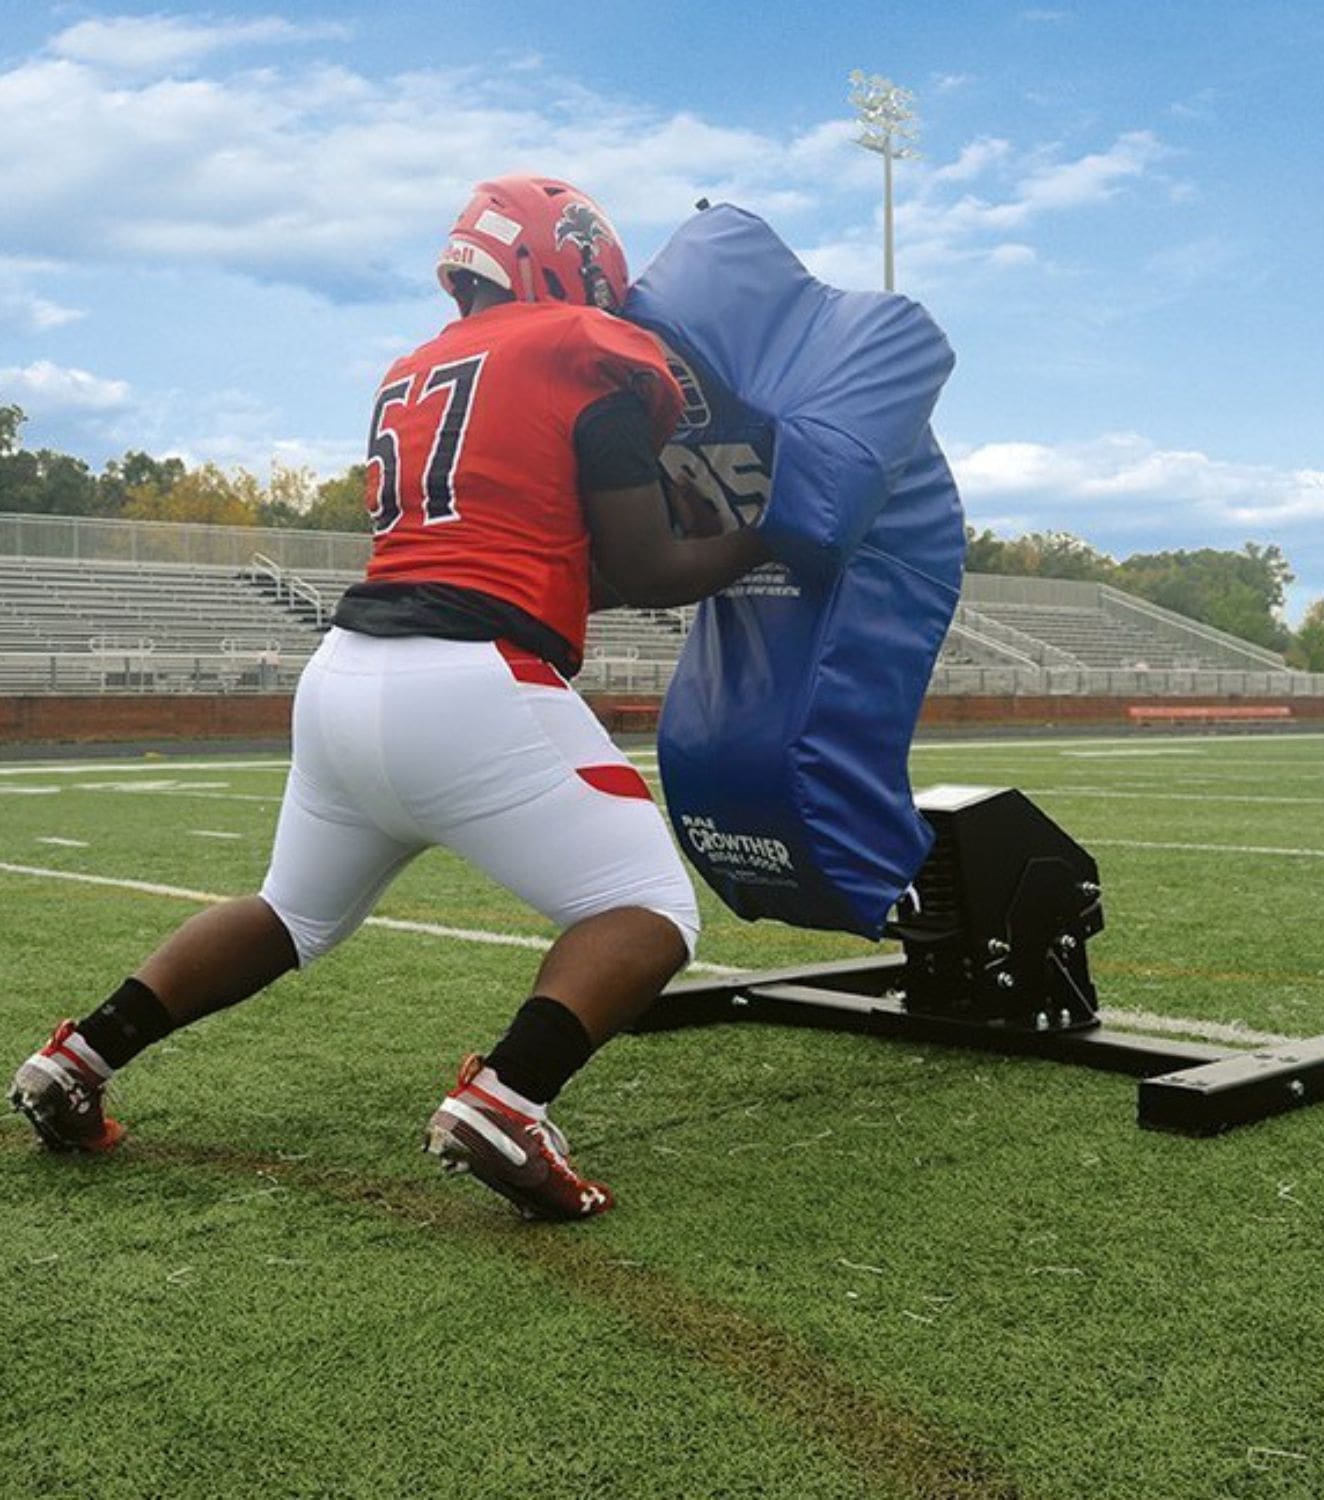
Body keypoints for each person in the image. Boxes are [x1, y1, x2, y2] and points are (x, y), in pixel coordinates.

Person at [8, 175, 767, 1221]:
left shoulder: (419, 366)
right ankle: (511, 1096)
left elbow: (544, 549)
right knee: (646, 909)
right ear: (577, 259)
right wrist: (773, 540)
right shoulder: (581, 351)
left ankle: (80, 1057)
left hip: (347, 677)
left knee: (290, 909)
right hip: (473, 684)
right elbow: (644, 568)